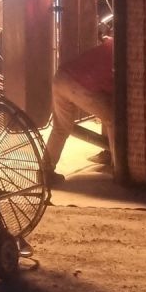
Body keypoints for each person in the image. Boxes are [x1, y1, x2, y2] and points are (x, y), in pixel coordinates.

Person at [42, 34, 115, 185]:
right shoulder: (121, 53)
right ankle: (119, 167)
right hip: (79, 85)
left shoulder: (110, 44)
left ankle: (45, 172)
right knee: (113, 119)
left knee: (60, 129)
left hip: (61, 78)